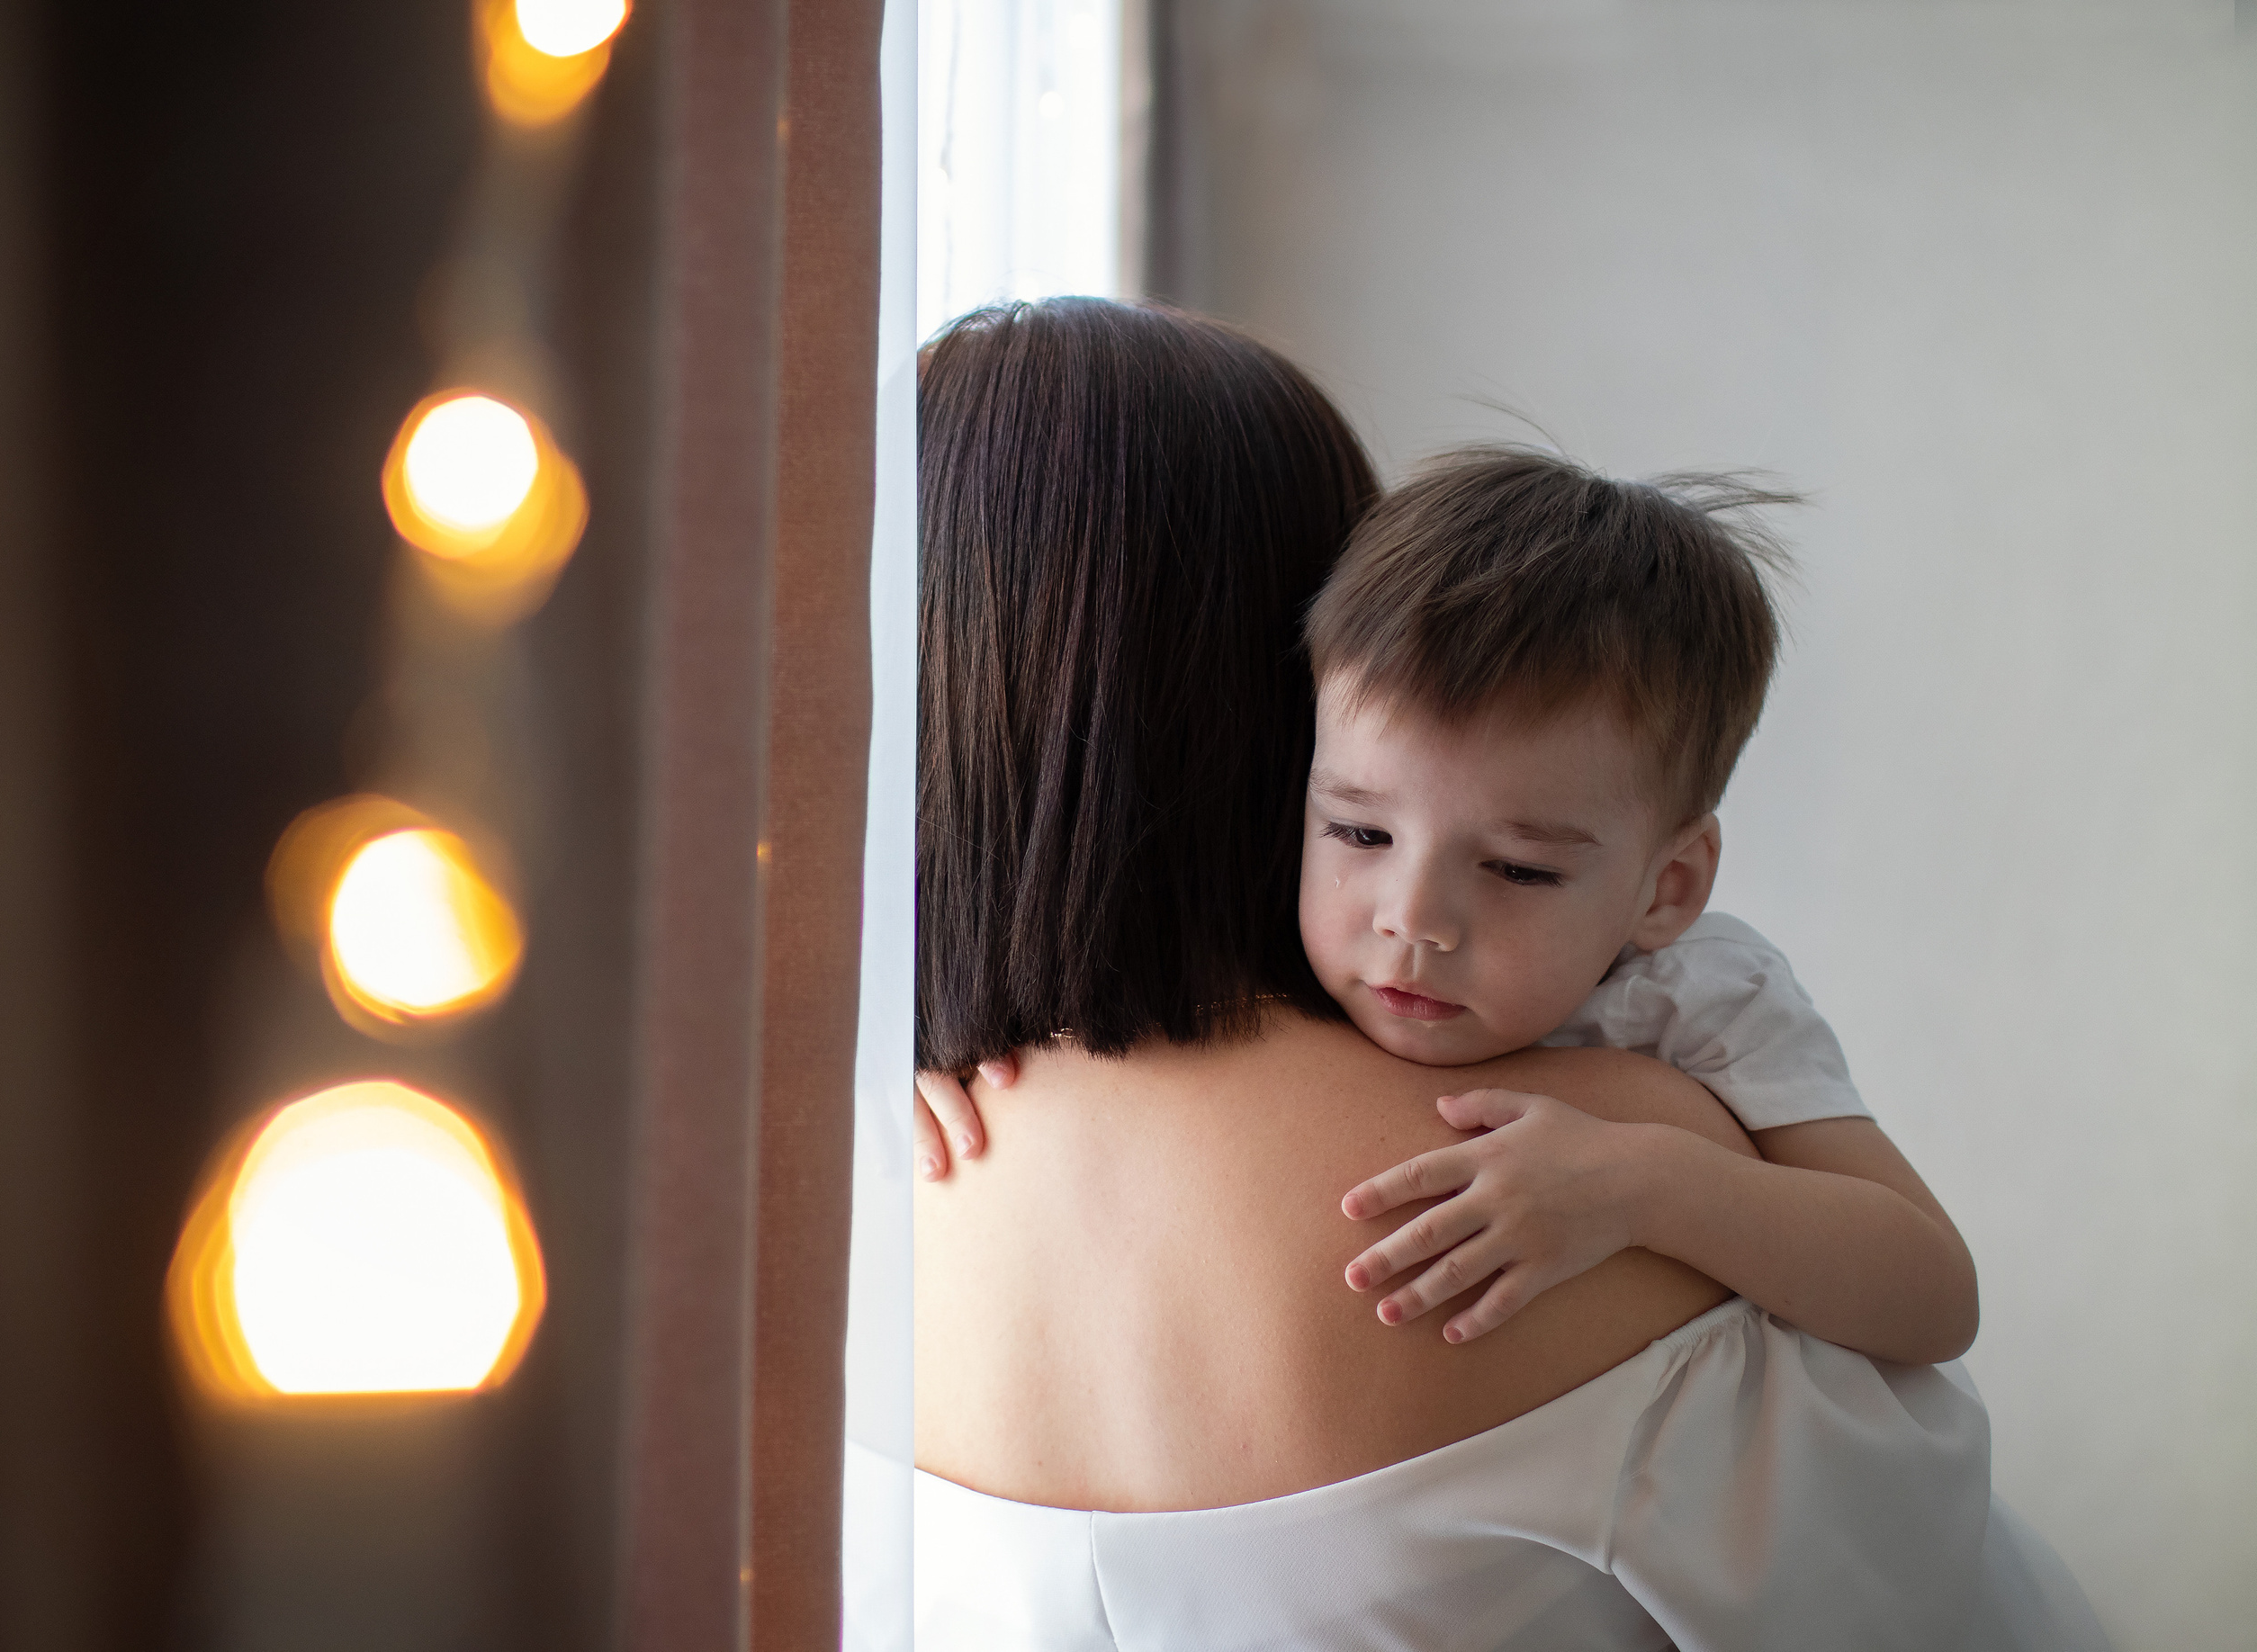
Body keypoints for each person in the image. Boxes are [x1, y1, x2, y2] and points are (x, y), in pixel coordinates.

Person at [875, 295, 2108, 1649]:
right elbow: (1922, 1599)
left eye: (1517, 865)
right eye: (1362, 826)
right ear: (1290, 689)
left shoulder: (820, 1181)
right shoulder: (1601, 1149)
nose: (1419, 918)